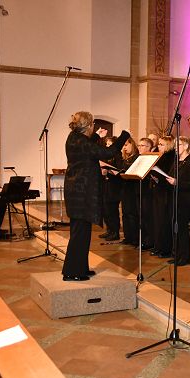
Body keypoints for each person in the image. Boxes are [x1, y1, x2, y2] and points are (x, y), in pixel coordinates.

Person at [62, 111, 130, 281]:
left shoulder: (73, 137)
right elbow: (107, 152)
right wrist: (124, 136)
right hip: (82, 193)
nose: (94, 126)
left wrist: (95, 136)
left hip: (76, 191)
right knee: (79, 234)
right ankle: (72, 272)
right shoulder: (82, 141)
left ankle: (81, 268)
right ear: (88, 125)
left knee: (82, 233)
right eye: (92, 124)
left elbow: (87, 148)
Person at [165, 136, 190, 266]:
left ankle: (184, 256)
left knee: (182, 228)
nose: (175, 148)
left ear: (186, 146)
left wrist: (176, 182)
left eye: (178, 145)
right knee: (174, 227)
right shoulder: (176, 161)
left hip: (184, 200)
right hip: (173, 198)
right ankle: (176, 254)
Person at [150, 135, 176, 258]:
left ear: (169, 145)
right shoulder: (159, 156)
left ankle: (165, 248)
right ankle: (158, 246)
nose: (158, 146)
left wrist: (159, 178)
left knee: (164, 221)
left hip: (166, 193)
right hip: (158, 191)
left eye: (161, 144)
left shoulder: (170, 157)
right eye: (159, 144)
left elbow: (169, 174)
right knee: (157, 220)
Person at [120, 137, 140, 246]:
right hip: (125, 188)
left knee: (132, 214)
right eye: (123, 146)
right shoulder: (125, 158)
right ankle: (127, 236)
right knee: (125, 213)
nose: (124, 148)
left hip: (133, 188)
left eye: (126, 145)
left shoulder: (136, 157)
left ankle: (134, 238)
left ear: (132, 144)